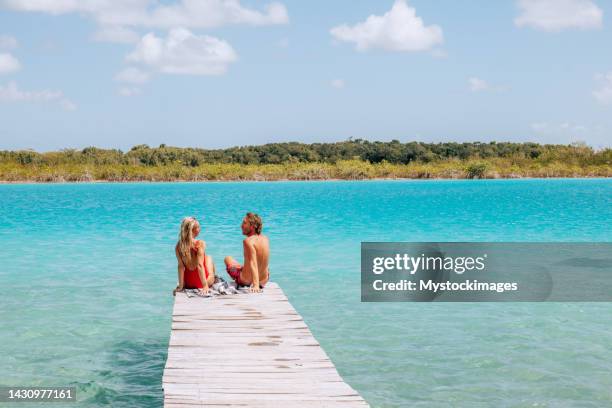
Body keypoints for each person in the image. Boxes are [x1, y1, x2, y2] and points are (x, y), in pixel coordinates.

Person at [224, 212, 270, 293]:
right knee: (243, 265)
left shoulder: (248, 241)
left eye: (244, 223)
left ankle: (248, 276)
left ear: (252, 226)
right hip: (264, 279)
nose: (241, 225)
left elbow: (253, 262)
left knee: (228, 258)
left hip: (246, 281)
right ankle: (245, 270)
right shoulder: (265, 238)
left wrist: (255, 285)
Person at [173, 216, 215, 296]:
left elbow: (180, 267)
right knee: (209, 258)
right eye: (198, 227)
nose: (200, 229)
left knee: (206, 258)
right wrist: (205, 286)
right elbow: (199, 265)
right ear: (193, 230)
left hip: (188, 283)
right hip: (200, 282)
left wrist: (181, 286)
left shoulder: (178, 246)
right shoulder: (199, 244)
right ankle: (212, 278)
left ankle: (183, 284)